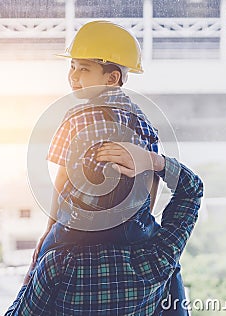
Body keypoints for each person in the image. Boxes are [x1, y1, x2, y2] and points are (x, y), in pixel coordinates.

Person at [5, 142, 203, 315]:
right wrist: (152, 160)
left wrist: (30, 279)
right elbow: (191, 191)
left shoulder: (57, 265)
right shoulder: (157, 259)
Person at [34, 20, 161, 266]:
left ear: (112, 77)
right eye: (72, 67)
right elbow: (152, 177)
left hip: (79, 229)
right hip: (131, 228)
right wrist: (141, 223)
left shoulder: (76, 117)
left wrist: (50, 229)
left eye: (83, 69)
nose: (73, 76)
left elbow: (63, 178)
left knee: (40, 266)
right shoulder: (143, 122)